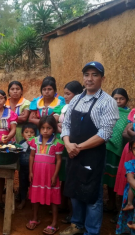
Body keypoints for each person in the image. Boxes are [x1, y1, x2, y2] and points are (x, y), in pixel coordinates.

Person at [60, 61, 119, 235]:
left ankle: (92, 231)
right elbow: (66, 124)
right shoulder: (76, 99)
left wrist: (78, 147)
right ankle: (76, 225)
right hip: (73, 153)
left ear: (102, 78)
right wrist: (68, 144)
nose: (90, 79)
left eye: (95, 75)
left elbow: (104, 133)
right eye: (87, 75)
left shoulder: (108, 102)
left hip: (92, 155)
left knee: (92, 195)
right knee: (74, 190)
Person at [26, 115, 64, 234]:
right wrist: (31, 172)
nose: (45, 131)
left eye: (49, 128)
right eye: (43, 128)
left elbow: (58, 160)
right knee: (35, 195)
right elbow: (31, 156)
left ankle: (54, 223)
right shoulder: (34, 141)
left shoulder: (57, 143)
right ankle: (35, 218)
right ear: (39, 129)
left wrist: (54, 176)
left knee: (53, 197)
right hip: (37, 173)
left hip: (50, 174)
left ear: (54, 129)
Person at [53, 81, 83, 224]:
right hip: (62, 146)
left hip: (73, 146)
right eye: (64, 93)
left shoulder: (81, 109)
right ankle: (63, 204)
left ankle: (73, 212)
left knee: (73, 178)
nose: (65, 96)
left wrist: (61, 128)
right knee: (63, 177)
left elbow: (73, 130)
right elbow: (55, 121)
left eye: (68, 94)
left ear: (77, 94)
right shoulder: (64, 107)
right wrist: (61, 128)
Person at [102, 88, 130, 218]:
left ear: (126, 100)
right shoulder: (107, 111)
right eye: (115, 98)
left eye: (121, 98)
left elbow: (123, 132)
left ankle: (117, 207)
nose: (118, 101)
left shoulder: (130, 114)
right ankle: (110, 204)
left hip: (118, 153)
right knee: (106, 178)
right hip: (104, 148)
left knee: (116, 180)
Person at [17, 122, 37, 210]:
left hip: (34, 169)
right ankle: (23, 200)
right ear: (22, 134)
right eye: (26, 132)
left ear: (36, 134)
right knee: (23, 184)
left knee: (34, 185)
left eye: (32, 132)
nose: (29, 134)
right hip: (23, 168)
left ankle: (34, 202)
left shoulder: (37, 144)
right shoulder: (20, 143)